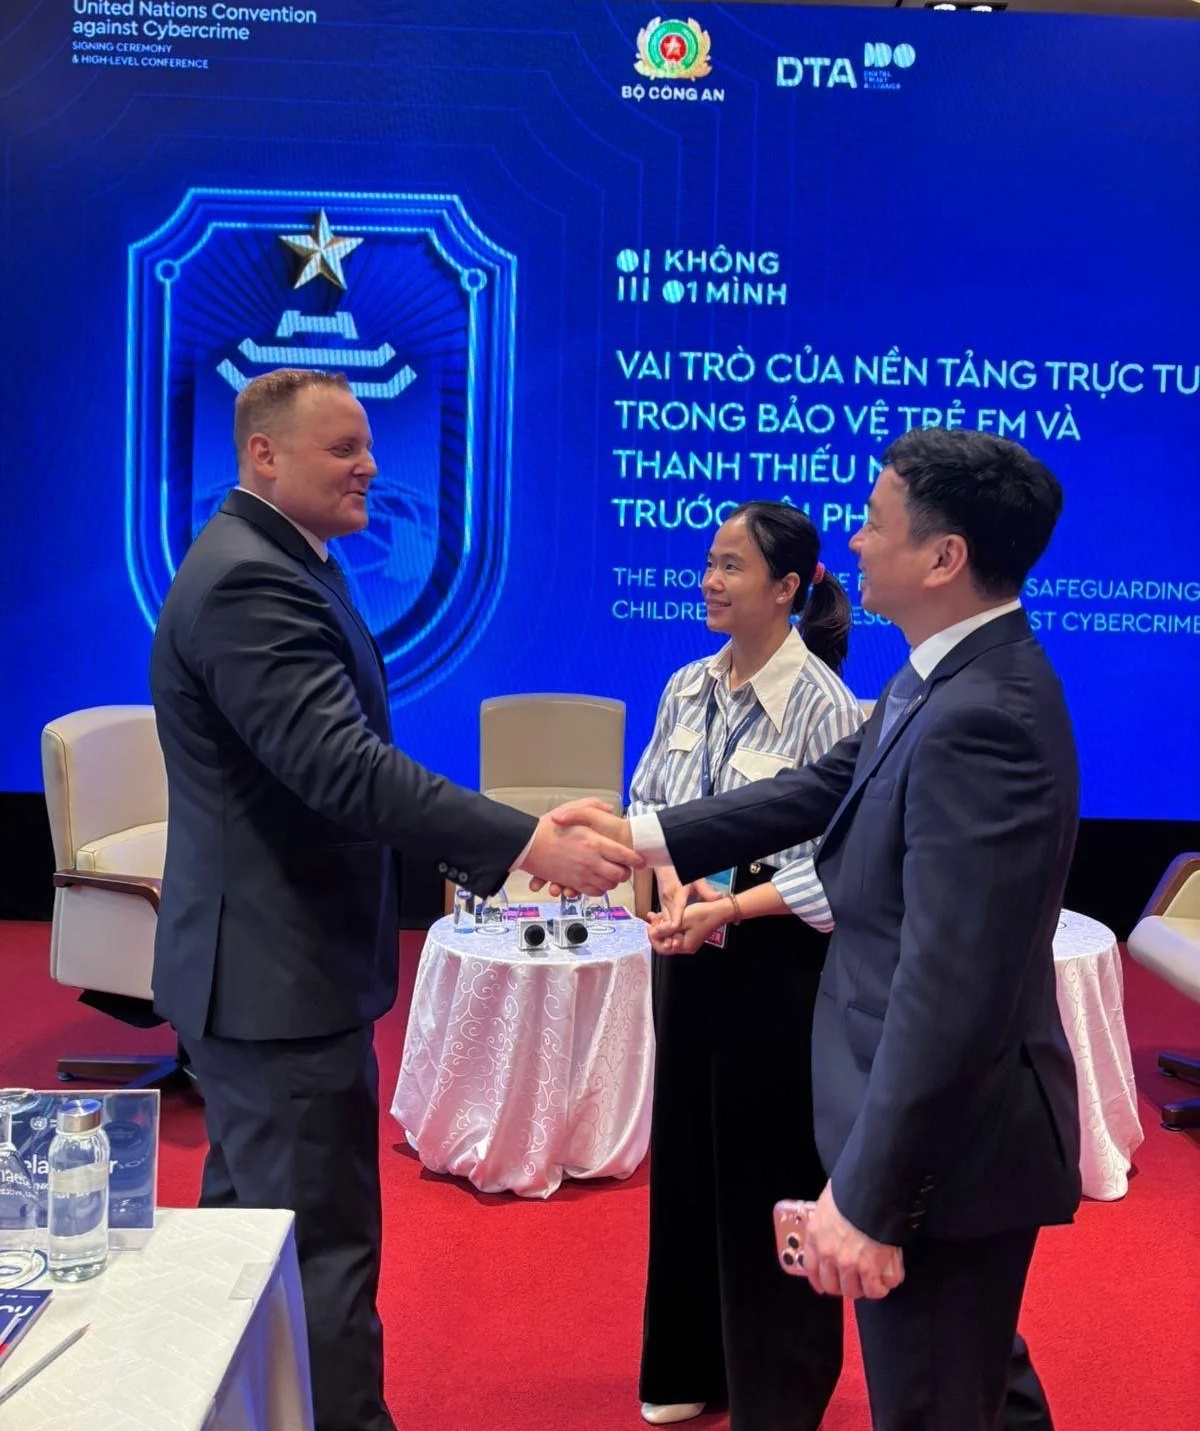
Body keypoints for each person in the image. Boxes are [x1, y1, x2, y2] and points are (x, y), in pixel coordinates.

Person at [555, 429, 1081, 1431]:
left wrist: (871, 1195)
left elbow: (949, 990)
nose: (857, 540)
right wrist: (639, 833)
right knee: (971, 1386)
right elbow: (818, 789)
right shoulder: (939, 677)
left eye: (876, 524)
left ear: (943, 558)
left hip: (941, 1159)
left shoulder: (985, 716)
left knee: (933, 1398)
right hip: (925, 1141)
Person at [149, 367, 638, 1431]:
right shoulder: (250, 580)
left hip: (265, 976)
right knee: (316, 1252)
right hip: (275, 983)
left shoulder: (281, 561)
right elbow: (343, 769)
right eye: (344, 447)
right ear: (264, 455)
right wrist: (526, 841)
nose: (372, 463)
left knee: (243, 1240)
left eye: (370, 444)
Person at [630, 502, 861, 1430]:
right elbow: (648, 801)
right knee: (686, 1161)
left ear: (787, 588)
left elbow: (838, 868)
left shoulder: (830, 706)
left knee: (770, 1171)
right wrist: (669, 894)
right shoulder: (686, 686)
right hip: (688, 954)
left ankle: (780, 1386)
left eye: (732, 567)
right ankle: (687, 1363)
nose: (710, 582)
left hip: (780, 968)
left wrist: (730, 903)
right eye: (709, 563)